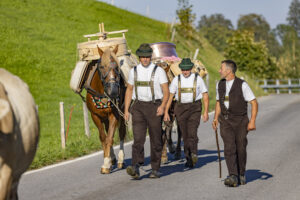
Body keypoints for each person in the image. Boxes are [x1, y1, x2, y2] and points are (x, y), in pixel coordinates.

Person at [124, 43, 169, 179]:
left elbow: (166, 91)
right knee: (138, 139)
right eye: (142, 57)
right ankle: (135, 166)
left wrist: (162, 107)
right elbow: (129, 90)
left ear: (151, 57)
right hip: (138, 107)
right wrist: (126, 109)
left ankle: (155, 168)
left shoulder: (159, 71)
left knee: (156, 138)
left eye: (147, 57)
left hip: (154, 106)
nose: (145, 59)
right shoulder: (134, 71)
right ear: (139, 57)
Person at [212, 60, 258, 187]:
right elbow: (218, 102)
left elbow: (254, 102)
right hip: (225, 121)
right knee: (229, 147)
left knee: (241, 147)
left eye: (221, 68)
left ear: (228, 71)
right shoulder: (219, 84)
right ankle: (233, 175)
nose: (219, 71)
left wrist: (252, 121)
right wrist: (215, 118)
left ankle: (241, 172)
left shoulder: (242, 85)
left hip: (240, 121)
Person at [164, 58, 209, 168]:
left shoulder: (197, 79)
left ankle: (193, 153)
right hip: (180, 107)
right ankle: (188, 158)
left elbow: (205, 95)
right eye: (183, 69)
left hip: (195, 107)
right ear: (180, 69)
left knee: (192, 132)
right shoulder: (176, 80)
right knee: (184, 134)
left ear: (191, 68)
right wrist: (166, 112)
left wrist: (206, 111)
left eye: (187, 69)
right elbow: (170, 97)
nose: (185, 72)